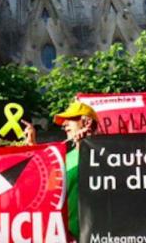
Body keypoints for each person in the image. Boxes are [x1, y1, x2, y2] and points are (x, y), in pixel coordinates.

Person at [26, 100, 98, 240]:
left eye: (69, 120)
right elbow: (47, 191)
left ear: (87, 122)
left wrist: (88, 145)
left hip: (100, 235)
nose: (64, 125)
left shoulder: (107, 155)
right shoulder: (63, 158)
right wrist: (33, 148)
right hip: (67, 237)